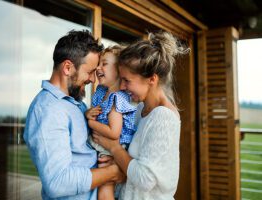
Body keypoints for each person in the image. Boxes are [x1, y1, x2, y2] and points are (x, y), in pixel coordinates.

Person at [23, 30, 125, 200]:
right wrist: (113, 172)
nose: (93, 79)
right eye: (90, 71)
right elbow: (57, 182)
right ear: (68, 67)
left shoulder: (75, 104)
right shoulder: (49, 110)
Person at [93, 31, 189, 200]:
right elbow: (132, 164)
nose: (121, 87)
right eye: (120, 79)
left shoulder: (163, 118)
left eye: (127, 80)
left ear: (152, 79)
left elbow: (145, 179)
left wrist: (114, 148)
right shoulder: (139, 110)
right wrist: (118, 166)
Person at [85, 46, 137, 200]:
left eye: (104, 63)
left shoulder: (117, 98)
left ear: (119, 72)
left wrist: (90, 123)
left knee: (105, 188)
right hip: (102, 144)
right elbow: (95, 111)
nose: (98, 67)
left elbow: (114, 132)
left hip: (110, 147)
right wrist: (88, 113)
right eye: (99, 63)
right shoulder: (101, 92)